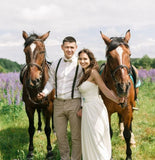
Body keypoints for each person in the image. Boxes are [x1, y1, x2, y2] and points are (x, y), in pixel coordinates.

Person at [37, 36, 83, 160]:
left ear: (76, 48)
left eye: (72, 47)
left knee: (76, 136)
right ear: (62, 47)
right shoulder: (56, 63)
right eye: (67, 47)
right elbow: (51, 82)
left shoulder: (81, 64)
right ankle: (65, 158)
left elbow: (84, 86)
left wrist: (82, 106)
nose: (69, 50)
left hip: (74, 103)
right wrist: (44, 93)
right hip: (58, 104)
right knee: (60, 136)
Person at [77, 48, 124, 160]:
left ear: (90, 60)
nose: (82, 61)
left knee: (97, 139)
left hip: (95, 109)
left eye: (85, 59)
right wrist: (82, 107)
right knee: (90, 140)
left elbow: (104, 90)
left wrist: (117, 99)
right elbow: (83, 95)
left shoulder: (93, 73)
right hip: (87, 109)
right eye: (80, 59)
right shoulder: (83, 74)